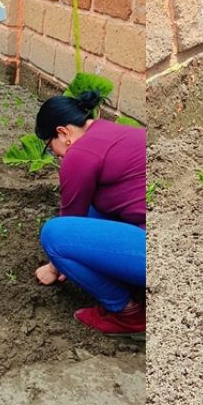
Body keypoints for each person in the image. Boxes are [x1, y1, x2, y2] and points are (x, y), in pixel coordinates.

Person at [33, 92, 146, 337]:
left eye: (50, 147)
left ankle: (128, 313)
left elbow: (69, 223)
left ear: (63, 133)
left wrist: (52, 268)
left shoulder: (80, 154)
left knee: (54, 235)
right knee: (93, 209)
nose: (55, 154)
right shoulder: (111, 131)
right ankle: (131, 282)